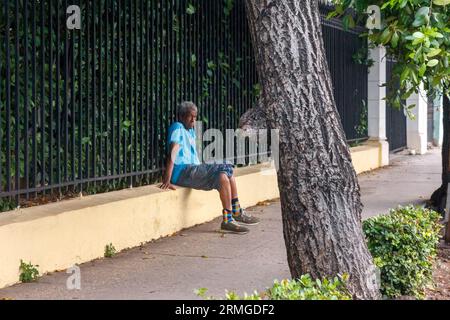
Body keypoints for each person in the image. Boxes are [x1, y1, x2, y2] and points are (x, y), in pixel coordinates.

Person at [159, 101, 260, 234]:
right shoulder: (177, 127)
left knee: (223, 176)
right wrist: (167, 178)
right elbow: (174, 150)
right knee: (225, 164)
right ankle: (235, 213)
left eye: (195, 117)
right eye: (190, 117)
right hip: (183, 171)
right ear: (182, 116)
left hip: (193, 170)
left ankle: (229, 218)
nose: (193, 120)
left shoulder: (191, 131)